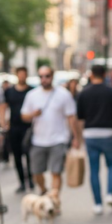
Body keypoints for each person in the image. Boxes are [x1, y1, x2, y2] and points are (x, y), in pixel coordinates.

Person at [21, 66, 81, 197]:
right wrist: (32, 114)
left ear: (52, 76)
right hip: (38, 140)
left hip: (58, 139)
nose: (44, 79)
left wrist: (76, 138)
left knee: (56, 172)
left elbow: (71, 117)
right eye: (41, 76)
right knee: (36, 173)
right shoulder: (32, 95)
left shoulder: (63, 94)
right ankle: (43, 191)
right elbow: (23, 116)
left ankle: (54, 201)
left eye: (47, 76)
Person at [76, 64, 112, 215]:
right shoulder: (111, 91)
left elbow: (80, 116)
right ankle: (110, 193)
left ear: (91, 75)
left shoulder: (84, 93)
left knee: (94, 169)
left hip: (90, 134)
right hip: (108, 132)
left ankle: (97, 203)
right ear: (104, 75)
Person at [5, 66, 35, 193]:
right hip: (14, 127)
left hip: (28, 128)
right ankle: (22, 182)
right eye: (20, 74)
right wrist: (4, 124)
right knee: (17, 156)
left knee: (29, 155)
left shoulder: (32, 91)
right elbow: (4, 108)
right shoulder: (9, 91)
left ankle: (31, 180)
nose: (22, 76)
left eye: (24, 74)